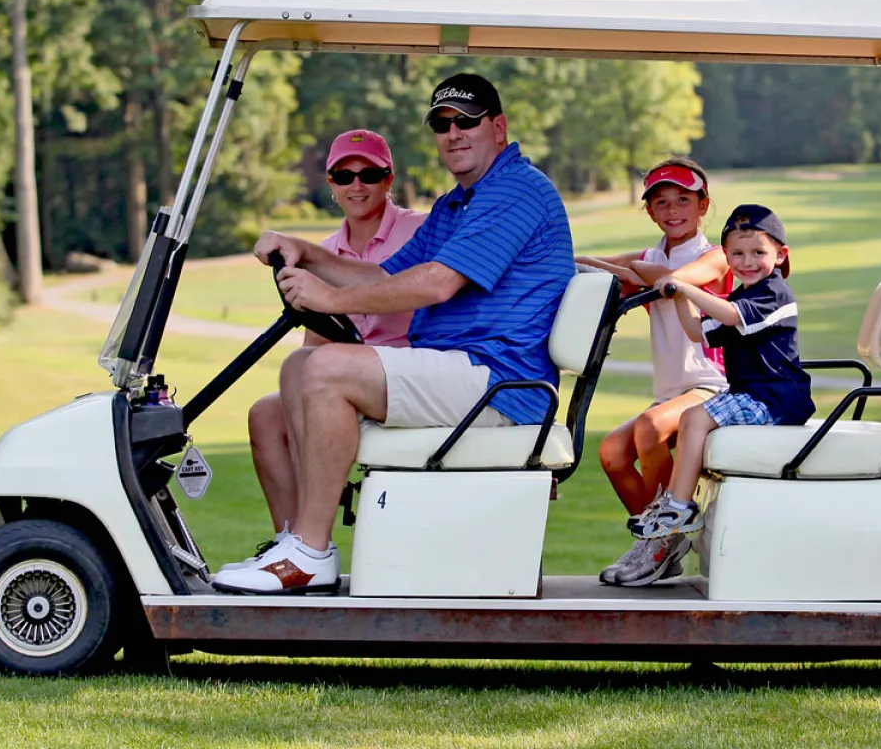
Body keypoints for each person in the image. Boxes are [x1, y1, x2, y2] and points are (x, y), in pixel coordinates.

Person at [211, 73, 575, 595]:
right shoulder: (458, 204)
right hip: (462, 370)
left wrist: (329, 298)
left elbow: (437, 283)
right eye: (442, 124)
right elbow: (385, 275)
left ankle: (310, 552)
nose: (453, 133)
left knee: (322, 368)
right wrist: (306, 251)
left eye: (466, 121)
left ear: (499, 126)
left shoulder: (515, 189)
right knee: (297, 368)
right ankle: (302, 544)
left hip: (500, 382)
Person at [240, 129, 425, 552]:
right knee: (266, 414)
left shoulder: (420, 232)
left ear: (388, 178)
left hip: (403, 378)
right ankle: (291, 540)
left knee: (315, 374)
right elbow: (315, 347)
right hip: (345, 381)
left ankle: (311, 544)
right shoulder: (322, 251)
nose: (356, 185)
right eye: (344, 176)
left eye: (369, 174)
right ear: (331, 184)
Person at [573, 157, 732, 587]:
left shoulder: (716, 256)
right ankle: (660, 543)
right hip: (672, 393)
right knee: (611, 452)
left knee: (648, 427)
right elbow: (594, 263)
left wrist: (635, 272)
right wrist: (597, 265)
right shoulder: (648, 257)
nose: (672, 209)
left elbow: (677, 280)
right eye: (661, 202)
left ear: (703, 206)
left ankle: (663, 538)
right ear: (649, 211)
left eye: (683, 199)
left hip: (713, 388)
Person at [629, 204, 811, 550]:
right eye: (738, 254)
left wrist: (683, 283)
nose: (748, 262)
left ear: (780, 254)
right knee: (693, 419)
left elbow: (728, 315)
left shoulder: (773, 293)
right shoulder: (743, 295)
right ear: (727, 256)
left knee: (695, 417)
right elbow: (697, 332)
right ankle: (676, 503)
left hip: (775, 399)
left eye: (759, 252)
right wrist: (681, 297)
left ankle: (679, 506)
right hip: (751, 394)